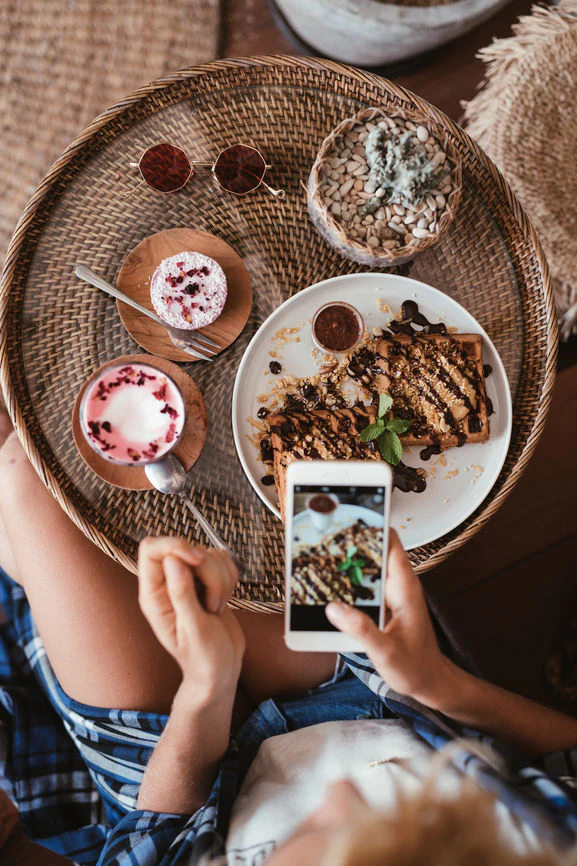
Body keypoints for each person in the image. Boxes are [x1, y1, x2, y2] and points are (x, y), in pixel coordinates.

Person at [1, 416, 577, 866]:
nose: (339, 790)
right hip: (372, 692)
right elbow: (566, 757)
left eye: (313, 831)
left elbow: (160, 834)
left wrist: (205, 692)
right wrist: (437, 683)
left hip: (180, 781)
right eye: (388, 817)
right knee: (311, 454)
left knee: (26, 472)